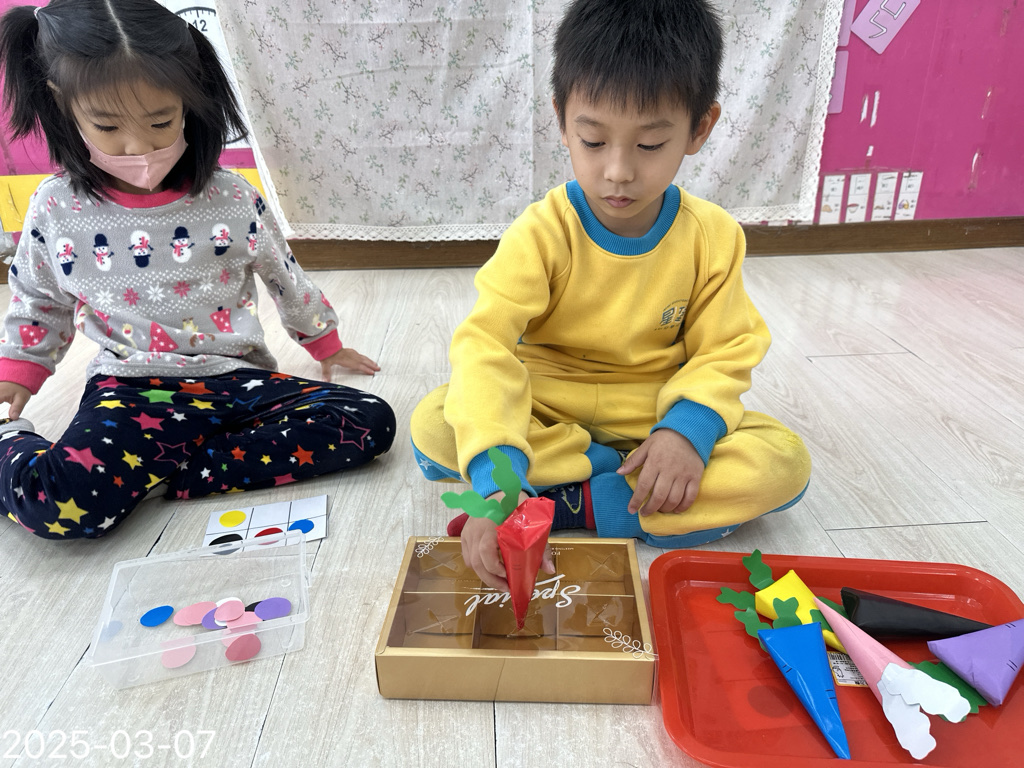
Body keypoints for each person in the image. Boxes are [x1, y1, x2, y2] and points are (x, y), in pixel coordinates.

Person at [410, 0, 811, 589]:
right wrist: (498, 483)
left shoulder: (713, 235)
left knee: (782, 461)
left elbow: (725, 350)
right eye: (593, 141)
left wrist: (685, 432)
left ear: (700, 128)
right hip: (546, 405)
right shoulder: (540, 231)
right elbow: (485, 347)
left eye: (649, 145)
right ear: (561, 120)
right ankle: (607, 486)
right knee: (434, 423)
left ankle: (575, 502)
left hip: (650, 415)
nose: (618, 171)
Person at [0, 0, 395, 539]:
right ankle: (17, 447)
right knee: (60, 504)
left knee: (368, 421)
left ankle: (160, 474)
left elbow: (284, 274)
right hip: (131, 387)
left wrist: (324, 342)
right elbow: (40, 299)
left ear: (191, 99)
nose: (139, 146)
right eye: (107, 126)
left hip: (236, 377)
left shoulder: (232, 197)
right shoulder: (56, 207)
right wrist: (18, 372)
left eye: (161, 121)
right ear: (60, 103)